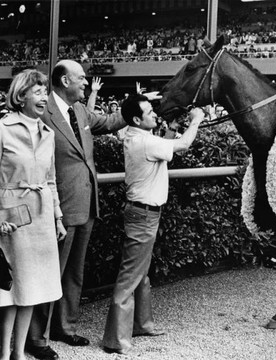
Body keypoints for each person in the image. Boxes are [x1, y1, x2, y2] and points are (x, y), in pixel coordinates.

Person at [26, 60, 160, 360]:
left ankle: (66, 327)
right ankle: (37, 338)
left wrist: (137, 106)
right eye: (82, 79)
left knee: (74, 272)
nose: (86, 83)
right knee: (50, 273)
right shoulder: (42, 111)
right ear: (63, 81)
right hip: (56, 206)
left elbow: (111, 122)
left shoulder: (81, 111)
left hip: (86, 204)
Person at [101, 95, 204, 354]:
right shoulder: (145, 141)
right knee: (130, 277)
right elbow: (183, 144)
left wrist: (171, 128)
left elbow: (165, 142)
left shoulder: (138, 137)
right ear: (137, 119)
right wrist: (197, 120)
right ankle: (116, 340)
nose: (155, 115)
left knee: (140, 273)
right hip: (143, 214)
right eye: (149, 112)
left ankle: (142, 324)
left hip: (144, 213)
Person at [0, 69, 66, 360]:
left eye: (45, 92)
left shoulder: (48, 133)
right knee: (12, 289)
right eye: (37, 91)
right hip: (11, 217)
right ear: (21, 95)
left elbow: (50, 179)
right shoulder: (2, 128)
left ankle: (19, 353)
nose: (44, 97)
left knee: (34, 287)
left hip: (40, 217)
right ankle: (4, 353)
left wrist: (58, 217)